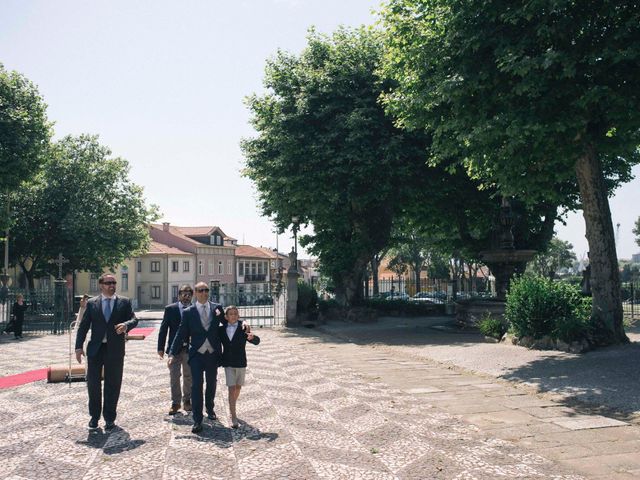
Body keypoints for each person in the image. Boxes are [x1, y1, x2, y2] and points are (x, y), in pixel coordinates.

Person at [75, 273, 138, 430]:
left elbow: (134, 319)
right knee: (93, 384)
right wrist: (78, 347)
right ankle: (94, 417)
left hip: (115, 350)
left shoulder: (124, 302)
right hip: (96, 349)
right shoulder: (92, 303)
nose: (112, 285)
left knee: (113, 383)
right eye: (108, 283)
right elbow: (83, 326)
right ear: (101, 285)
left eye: (114, 282)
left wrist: (126, 325)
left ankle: (110, 417)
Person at [169, 281, 225, 433]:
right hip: (196, 355)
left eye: (206, 290)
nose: (204, 293)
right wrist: (172, 353)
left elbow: (227, 323)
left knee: (212, 383)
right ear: (196, 292)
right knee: (196, 386)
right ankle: (197, 419)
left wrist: (243, 323)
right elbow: (180, 333)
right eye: (201, 290)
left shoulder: (217, 308)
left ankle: (210, 408)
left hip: (213, 352)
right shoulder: (189, 312)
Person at [219, 305, 260, 428]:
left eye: (235, 314)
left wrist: (252, 337)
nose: (233, 316)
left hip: (241, 362)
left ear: (239, 316)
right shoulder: (221, 329)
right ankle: (233, 415)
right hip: (228, 363)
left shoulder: (243, 328)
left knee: (238, 388)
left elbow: (257, 341)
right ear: (226, 317)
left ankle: (232, 405)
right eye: (230, 314)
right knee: (231, 389)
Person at [158, 284, 193, 415]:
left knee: (188, 376)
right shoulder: (170, 309)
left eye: (189, 294)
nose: (186, 296)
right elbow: (163, 329)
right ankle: (175, 403)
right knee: (174, 376)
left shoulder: (194, 309)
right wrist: (160, 348)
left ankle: (187, 401)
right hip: (174, 349)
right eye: (184, 293)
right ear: (179, 295)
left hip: (189, 349)